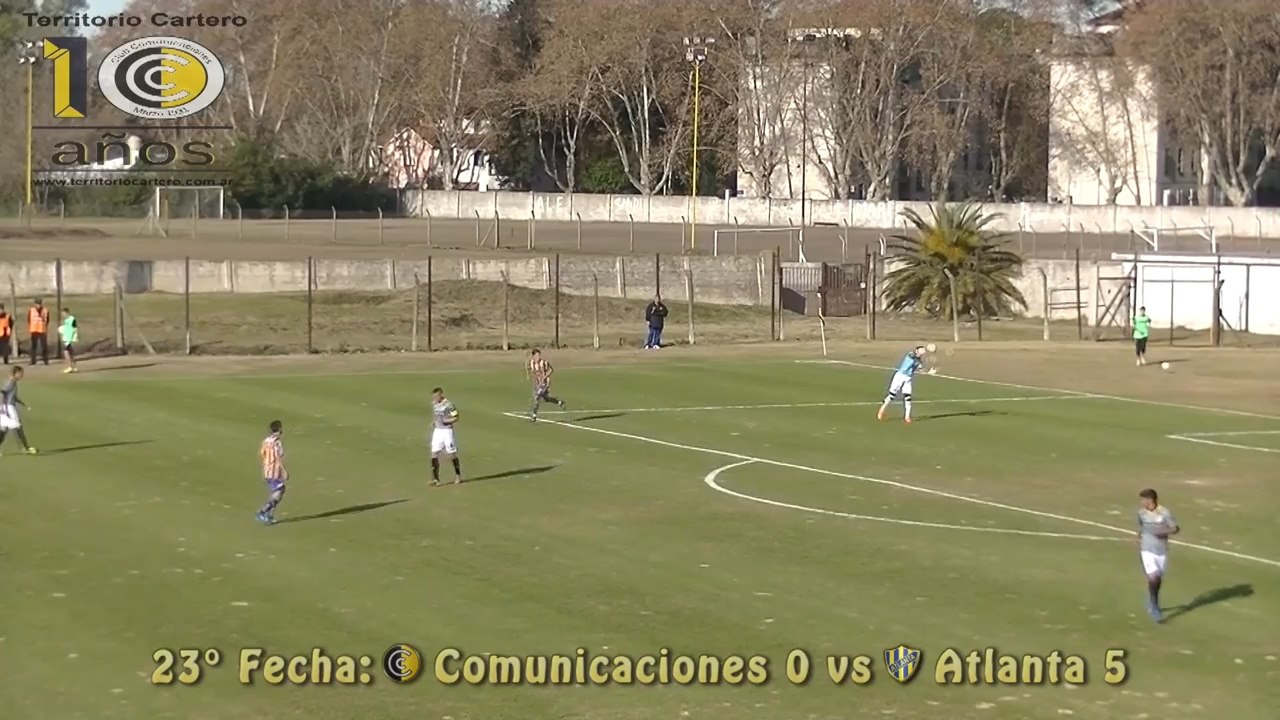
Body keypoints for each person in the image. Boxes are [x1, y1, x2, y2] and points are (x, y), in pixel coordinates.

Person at [1136, 488, 1179, 623]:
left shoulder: (1164, 512)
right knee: (1153, 577)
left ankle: (1151, 598)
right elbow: (1141, 526)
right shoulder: (1141, 513)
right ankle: (1155, 606)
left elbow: (1175, 528)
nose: (1141, 502)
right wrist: (1138, 537)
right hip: (1146, 549)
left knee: (1157, 579)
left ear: (1150, 500)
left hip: (1161, 550)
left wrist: (1165, 531)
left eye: (1143, 499)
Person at [877, 345, 932, 424]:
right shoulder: (911, 355)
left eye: (923, 350)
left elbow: (921, 370)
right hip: (900, 376)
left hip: (908, 378)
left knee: (908, 397)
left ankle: (907, 417)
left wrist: (928, 372)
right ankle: (881, 410)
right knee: (892, 395)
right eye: (921, 350)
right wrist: (919, 362)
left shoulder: (919, 360)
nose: (922, 351)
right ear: (916, 350)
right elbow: (913, 359)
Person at [256, 420, 288, 524]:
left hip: (267, 471)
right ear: (279, 429)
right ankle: (263, 511)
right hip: (275, 471)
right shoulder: (277, 442)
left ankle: (269, 516)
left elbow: (261, 454)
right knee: (279, 491)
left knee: (276, 492)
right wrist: (284, 471)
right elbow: (278, 458)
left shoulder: (266, 441)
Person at [0, 366, 37, 455]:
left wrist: (24, 404)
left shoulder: (13, 382)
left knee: (4, 429)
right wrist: (3, 407)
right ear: (15, 373)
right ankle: (26, 448)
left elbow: (13, 397)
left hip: (6, 407)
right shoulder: (11, 382)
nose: (22, 375)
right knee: (18, 427)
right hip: (8, 407)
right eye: (20, 373)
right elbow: (3, 392)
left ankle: (24, 447)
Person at [430, 387, 462, 485]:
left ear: (441, 395)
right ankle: (436, 479)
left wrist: (447, 421)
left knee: (451, 454)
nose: (435, 398)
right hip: (437, 431)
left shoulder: (449, 405)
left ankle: (457, 475)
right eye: (434, 397)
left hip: (447, 432)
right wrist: (434, 422)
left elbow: (456, 417)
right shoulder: (435, 404)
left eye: (436, 396)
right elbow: (437, 415)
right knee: (434, 454)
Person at [527, 348, 566, 422]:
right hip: (538, 383)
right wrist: (535, 382)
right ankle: (560, 402)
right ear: (533, 356)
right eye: (536, 355)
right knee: (546, 399)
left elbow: (551, 369)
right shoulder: (531, 363)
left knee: (536, 397)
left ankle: (534, 416)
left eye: (539, 355)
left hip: (545, 383)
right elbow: (533, 373)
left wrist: (544, 377)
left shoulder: (544, 362)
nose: (538, 357)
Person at [27, 298, 50, 366]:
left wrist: (44, 326)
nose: (38, 305)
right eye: (37, 304)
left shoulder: (45, 310)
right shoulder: (31, 310)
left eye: (39, 304)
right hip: (34, 330)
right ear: (35, 304)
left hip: (42, 330)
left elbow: (47, 320)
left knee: (44, 346)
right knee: (33, 346)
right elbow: (29, 319)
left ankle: (45, 360)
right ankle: (33, 360)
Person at [59, 307, 78, 374]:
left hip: (69, 339)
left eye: (63, 313)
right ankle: (74, 367)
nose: (63, 315)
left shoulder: (72, 319)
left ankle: (69, 367)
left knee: (66, 353)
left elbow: (75, 329)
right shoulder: (65, 321)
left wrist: (74, 338)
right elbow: (65, 329)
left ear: (67, 313)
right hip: (66, 339)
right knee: (71, 353)